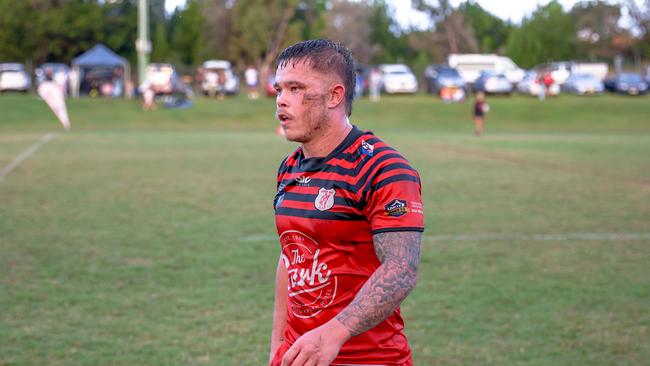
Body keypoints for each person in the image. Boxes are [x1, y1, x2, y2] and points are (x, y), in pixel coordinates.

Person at [270, 39, 424, 366]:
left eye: (296, 89)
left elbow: (401, 268)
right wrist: (278, 346)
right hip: (300, 357)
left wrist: (333, 334)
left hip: (371, 359)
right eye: (279, 89)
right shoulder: (289, 168)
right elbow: (289, 257)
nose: (281, 101)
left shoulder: (383, 168)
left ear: (335, 96)